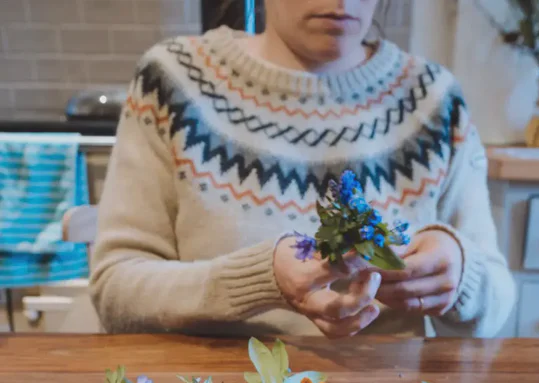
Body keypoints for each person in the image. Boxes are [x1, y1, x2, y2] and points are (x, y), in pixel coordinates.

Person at [91, 0, 516, 338]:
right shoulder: (173, 81)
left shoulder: (435, 99)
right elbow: (116, 292)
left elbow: (496, 305)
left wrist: (460, 274)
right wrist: (260, 280)